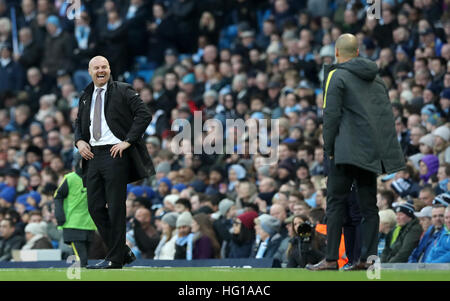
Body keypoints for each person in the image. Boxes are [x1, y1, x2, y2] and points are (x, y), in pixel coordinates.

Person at [307, 34, 405, 271]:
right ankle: (367, 260)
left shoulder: (336, 75)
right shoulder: (378, 80)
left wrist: (328, 148)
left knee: (336, 204)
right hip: (370, 151)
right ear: (358, 52)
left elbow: (331, 115)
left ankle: (331, 259)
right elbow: (385, 118)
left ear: (337, 53)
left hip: (345, 151)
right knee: (369, 207)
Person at [74, 56, 154, 269]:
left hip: (115, 153)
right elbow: (78, 123)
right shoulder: (85, 95)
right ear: (90, 71)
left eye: (104, 67)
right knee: (94, 207)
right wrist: (79, 141)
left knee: (116, 208)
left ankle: (115, 259)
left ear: (109, 69)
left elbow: (144, 115)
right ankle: (121, 251)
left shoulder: (123, 89)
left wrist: (128, 141)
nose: (101, 70)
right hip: (91, 155)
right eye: (97, 67)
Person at [54, 154, 97, 267]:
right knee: (81, 259)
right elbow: (58, 197)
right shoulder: (70, 178)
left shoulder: (96, 178)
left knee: (83, 258)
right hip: (72, 223)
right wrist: (59, 215)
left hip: (90, 224)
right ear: (79, 162)